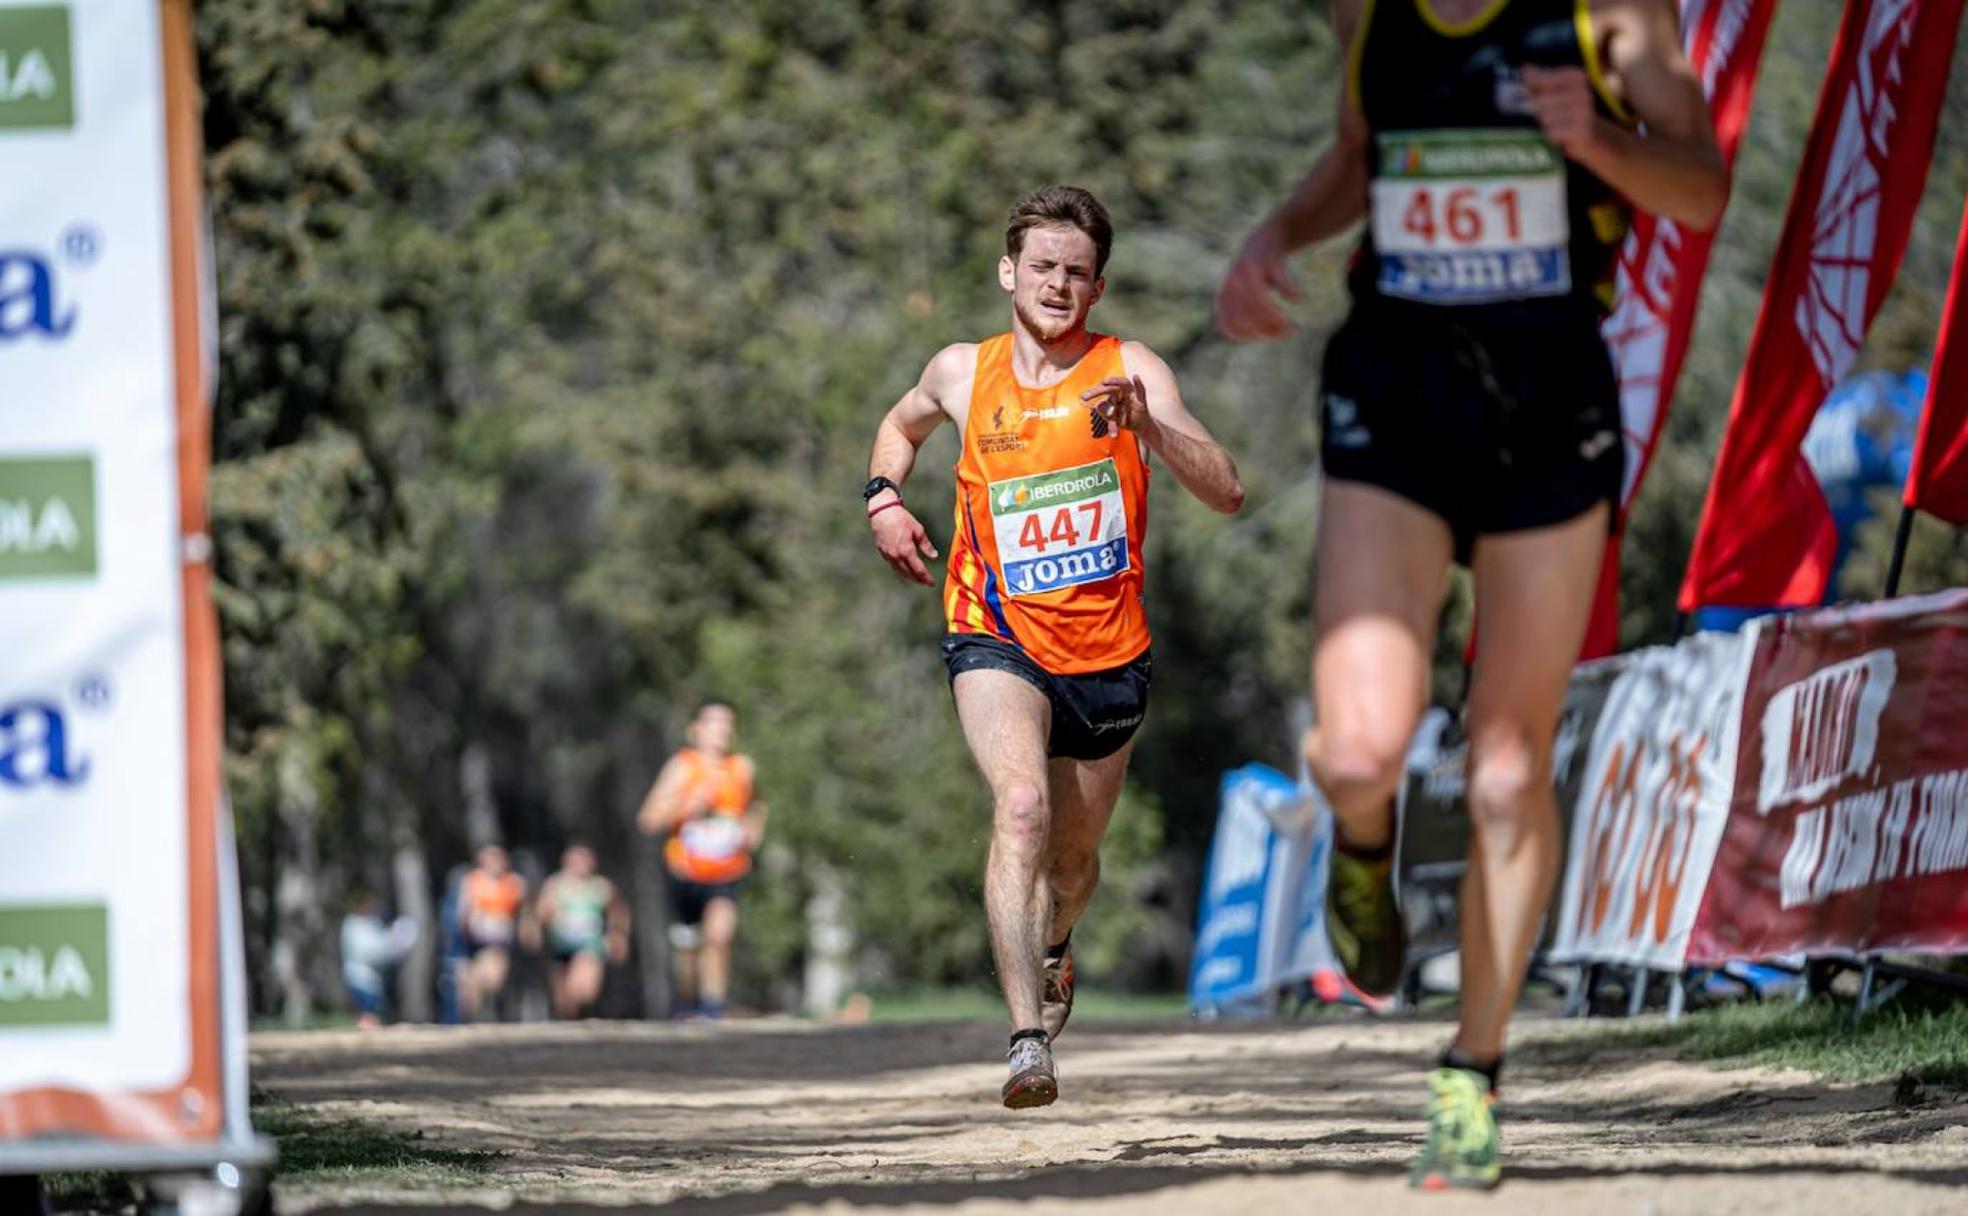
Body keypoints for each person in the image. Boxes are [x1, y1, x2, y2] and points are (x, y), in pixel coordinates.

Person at [1215, 0, 1724, 1190]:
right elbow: (1359, 158)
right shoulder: (1371, 10)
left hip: (1549, 400)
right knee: (1356, 749)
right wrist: (1276, 234)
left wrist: (1597, 139)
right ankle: (1360, 843)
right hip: (1394, 391)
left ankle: (1472, 1068)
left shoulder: (1609, 17)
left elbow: (1699, 187)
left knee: (1506, 767)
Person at [866, 185, 1244, 1108]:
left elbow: (1228, 489)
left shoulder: (1132, 368)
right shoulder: (961, 369)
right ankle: (1026, 1039)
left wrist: (1150, 426)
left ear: (1098, 286)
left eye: (1077, 272)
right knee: (1023, 809)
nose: (1058, 285)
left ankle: (1056, 944)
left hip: (1108, 658)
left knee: (1070, 866)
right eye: (1043, 266)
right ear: (1009, 271)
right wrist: (882, 498)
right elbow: (900, 426)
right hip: (993, 633)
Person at [637, 699, 764, 1020]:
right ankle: (687, 1003)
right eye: (714, 722)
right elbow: (649, 819)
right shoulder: (682, 767)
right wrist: (686, 806)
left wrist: (752, 832)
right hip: (686, 873)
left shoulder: (742, 768)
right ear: (696, 729)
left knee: (719, 937)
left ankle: (712, 1009)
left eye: (727, 723)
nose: (722, 730)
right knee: (688, 948)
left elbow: (758, 806)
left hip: (726, 871)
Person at [537, 843, 630, 1020]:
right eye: (576, 861)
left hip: (590, 944)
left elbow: (618, 910)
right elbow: (542, 913)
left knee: (583, 988)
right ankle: (571, 1024)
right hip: (562, 945)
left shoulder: (600, 886)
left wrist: (618, 934)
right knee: (563, 999)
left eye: (584, 860)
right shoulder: (556, 885)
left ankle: (589, 1013)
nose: (580, 865)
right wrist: (547, 915)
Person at [457, 844, 528, 1023]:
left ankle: (494, 1015)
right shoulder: (471, 881)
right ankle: (472, 1020)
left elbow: (524, 912)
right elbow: (463, 912)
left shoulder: (514, 883)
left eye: (498, 858)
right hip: (472, 941)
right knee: (469, 989)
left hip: (499, 942)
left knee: (493, 980)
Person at [339, 891, 417, 1029]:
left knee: (372, 1015)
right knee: (369, 1016)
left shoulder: (368, 924)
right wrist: (394, 941)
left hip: (369, 979)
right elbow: (374, 952)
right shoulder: (355, 926)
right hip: (362, 979)